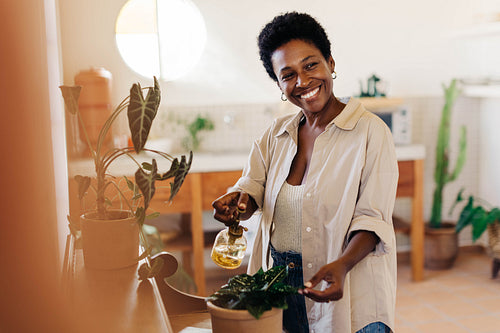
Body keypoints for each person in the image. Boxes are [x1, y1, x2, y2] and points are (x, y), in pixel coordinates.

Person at [212, 12, 398, 333]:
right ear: (280, 84)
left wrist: (341, 265)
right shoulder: (276, 134)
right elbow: (252, 187)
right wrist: (239, 202)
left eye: (311, 65)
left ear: (330, 63)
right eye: (288, 74)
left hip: (348, 286)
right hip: (281, 289)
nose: (303, 81)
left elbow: (372, 219)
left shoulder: (370, 133)